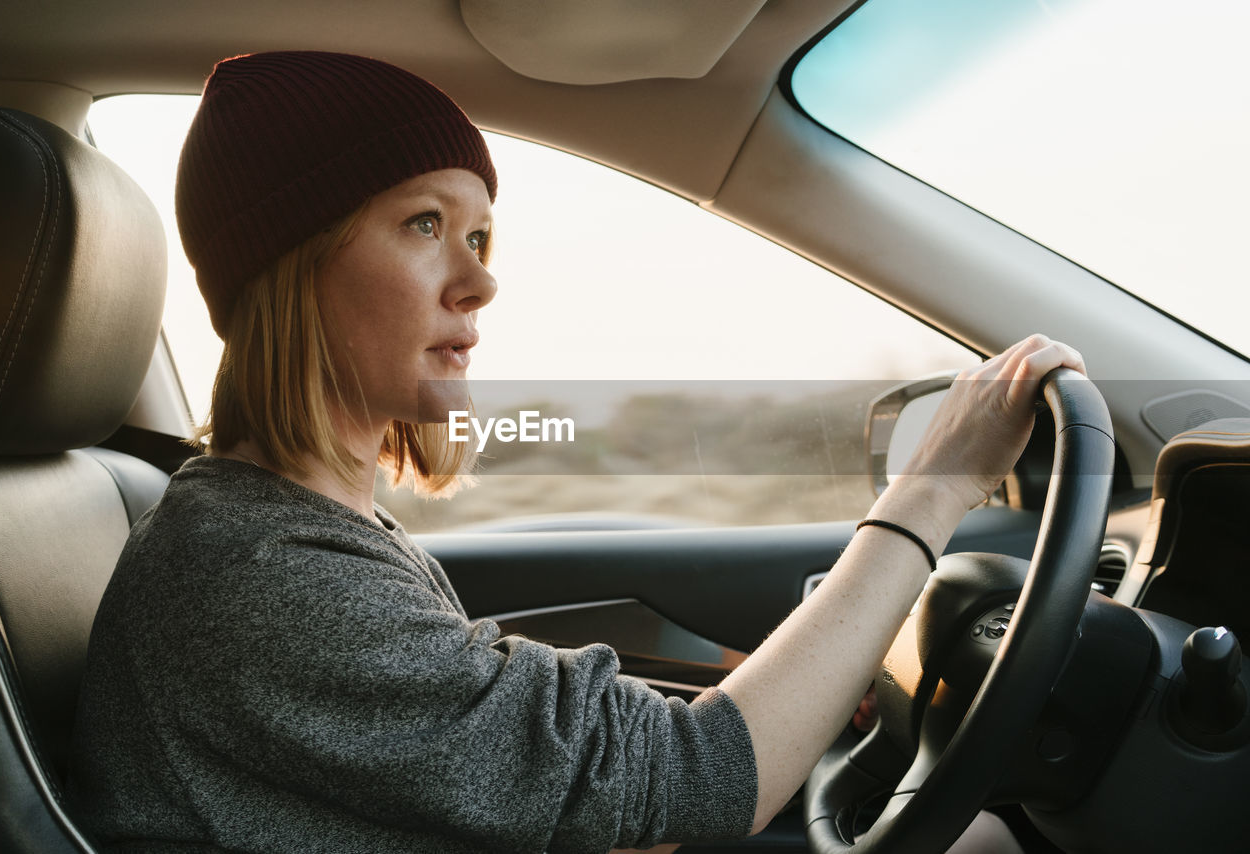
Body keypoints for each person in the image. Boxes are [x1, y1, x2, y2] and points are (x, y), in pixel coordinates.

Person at [68, 51, 1082, 853]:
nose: (479, 284)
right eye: (424, 223)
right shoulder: (262, 575)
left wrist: (802, 684)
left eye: (481, 237)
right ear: (288, 264)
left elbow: (534, 755)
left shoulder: (298, 527)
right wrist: (932, 484)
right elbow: (704, 772)